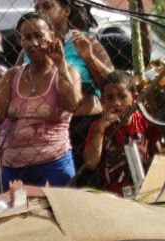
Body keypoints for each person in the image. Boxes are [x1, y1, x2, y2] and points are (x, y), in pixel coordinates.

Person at [0, 12, 81, 190]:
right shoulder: (12, 76)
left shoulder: (68, 72)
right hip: (13, 170)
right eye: (26, 38)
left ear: (53, 37)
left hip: (53, 165)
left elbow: (72, 104)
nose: (33, 43)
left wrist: (61, 64)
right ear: (20, 42)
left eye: (39, 35)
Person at [33, 0, 113, 183]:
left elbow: (113, 83)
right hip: (45, 130)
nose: (40, 12)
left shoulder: (84, 41)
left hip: (83, 129)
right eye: (36, 8)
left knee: (88, 188)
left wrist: (90, 57)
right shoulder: (31, 47)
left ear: (66, 11)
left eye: (47, 6)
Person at [84, 70, 161, 197]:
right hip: (107, 193)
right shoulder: (98, 126)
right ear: (103, 102)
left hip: (141, 190)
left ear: (135, 98)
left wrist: (146, 160)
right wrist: (101, 128)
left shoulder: (145, 122)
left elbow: (159, 157)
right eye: (110, 98)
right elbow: (91, 163)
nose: (116, 103)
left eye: (122, 96)